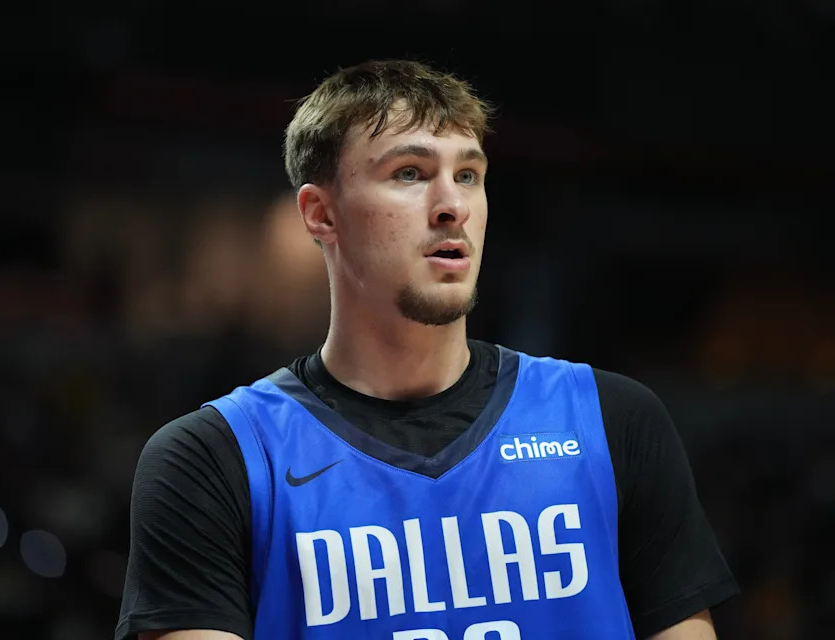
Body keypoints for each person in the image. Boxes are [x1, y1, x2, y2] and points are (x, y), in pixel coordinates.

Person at [115, 59, 739, 640]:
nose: (452, 207)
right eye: (409, 173)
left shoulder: (614, 421)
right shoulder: (210, 461)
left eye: (469, 175)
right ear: (320, 215)